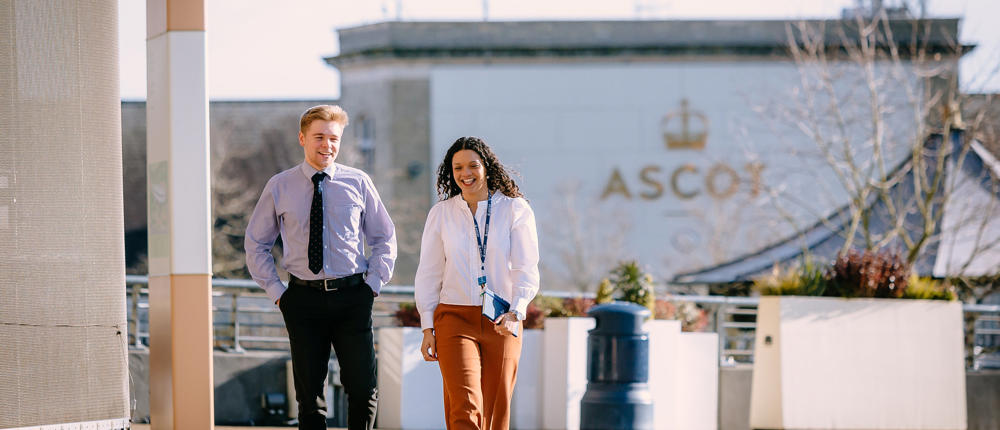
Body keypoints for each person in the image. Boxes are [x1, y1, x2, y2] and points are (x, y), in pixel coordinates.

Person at [245, 105, 396, 430]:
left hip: (353, 297)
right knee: (310, 397)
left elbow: (384, 237)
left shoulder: (358, 182)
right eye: (319, 137)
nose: (327, 145)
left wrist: (373, 285)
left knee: (363, 390)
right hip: (302, 300)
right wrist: (277, 293)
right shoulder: (279, 185)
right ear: (302, 138)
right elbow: (256, 243)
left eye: (333, 138)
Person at [414, 136, 540, 430]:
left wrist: (517, 310)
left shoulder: (514, 209)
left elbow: (526, 267)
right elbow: (429, 273)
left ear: (487, 168)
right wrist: (427, 326)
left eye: (472, 165)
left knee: (496, 410)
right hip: (454, 318)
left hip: (503, 317)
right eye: (458, 167)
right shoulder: (441, 214)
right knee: (465, 407)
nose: (465, 173)